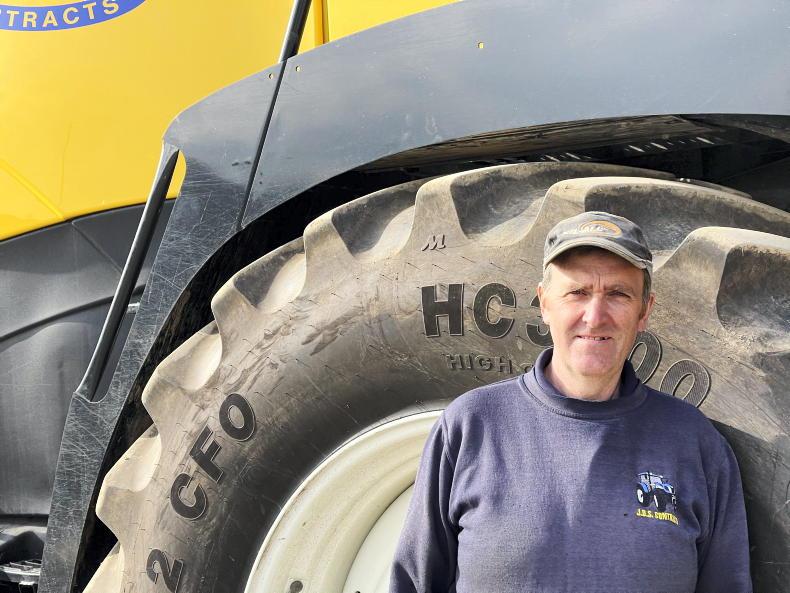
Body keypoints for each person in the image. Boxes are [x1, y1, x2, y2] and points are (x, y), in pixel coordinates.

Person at [389, 211, 752, 593]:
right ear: (545, 303)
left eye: (618, 294)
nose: (595, 317)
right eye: (577, 292)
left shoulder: (694, 443)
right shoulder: (470, 426)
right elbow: (414, 583)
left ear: (644, 310)